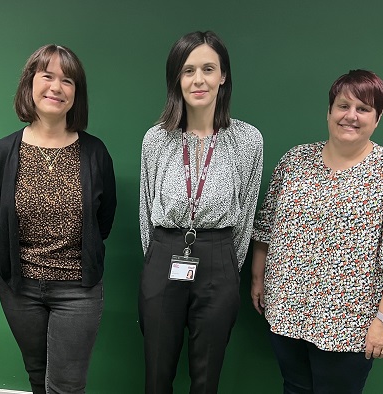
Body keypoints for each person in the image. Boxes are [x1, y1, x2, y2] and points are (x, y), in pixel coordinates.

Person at [251, 69, 383, 393]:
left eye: (363, 109)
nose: (350, 116)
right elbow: (266, 228)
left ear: (377, 118)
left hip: (350, 324)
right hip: (285, 312)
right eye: (343, 106)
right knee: (294, 386)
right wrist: (258, 279)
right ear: (329, 111)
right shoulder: (294, 161)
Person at [139, 31, 263, 393]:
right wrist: (158, 260)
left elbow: (247, 209)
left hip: (219, 258)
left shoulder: (247, 139)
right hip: (164, 253)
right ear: (176, 78)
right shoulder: (156, 138)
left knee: (207, 376)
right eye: (188, 70)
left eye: (208, 69)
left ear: (223, 76)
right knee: (157, 371)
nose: (198, 79)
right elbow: (147, 210)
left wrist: (225, 263)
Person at [0, 44, 116, 394]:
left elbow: (103, 221)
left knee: (66, 385)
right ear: (31, 82)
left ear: (77, 93)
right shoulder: (4, 151)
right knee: (37, 375)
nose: (56, 87)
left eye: (68, 81)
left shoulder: (94, 152)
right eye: (47, 76)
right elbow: (1, 211)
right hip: (20, 287)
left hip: (78, 290)